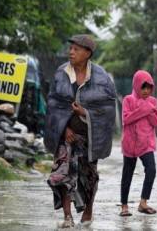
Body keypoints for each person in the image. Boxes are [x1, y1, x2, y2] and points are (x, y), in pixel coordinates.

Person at [44, 34, 116, 228]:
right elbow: (53, 104)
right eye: (71, 48)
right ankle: (67, 217)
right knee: (62, 173)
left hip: (90, 137)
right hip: (66, 136)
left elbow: (108, 109)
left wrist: (85, 112)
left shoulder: (101, 78)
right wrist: (64, 127)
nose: (71, 52)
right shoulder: (61, 73)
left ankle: (88, 210)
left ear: (87, 53)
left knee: (89, 176)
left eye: (76, 49)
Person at [119, 70, 157, 217]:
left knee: (151, 170)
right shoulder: (128, 100)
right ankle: (124, 206)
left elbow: (156, 122)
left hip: (146, 144)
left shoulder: (153, 102)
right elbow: (126, 119)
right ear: (136, 86)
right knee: (127, 174)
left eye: (149, 87)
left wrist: (149, 109)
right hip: (130, 144)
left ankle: (143, 202)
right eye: (143, 87)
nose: (146, 91)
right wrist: (145, 109)